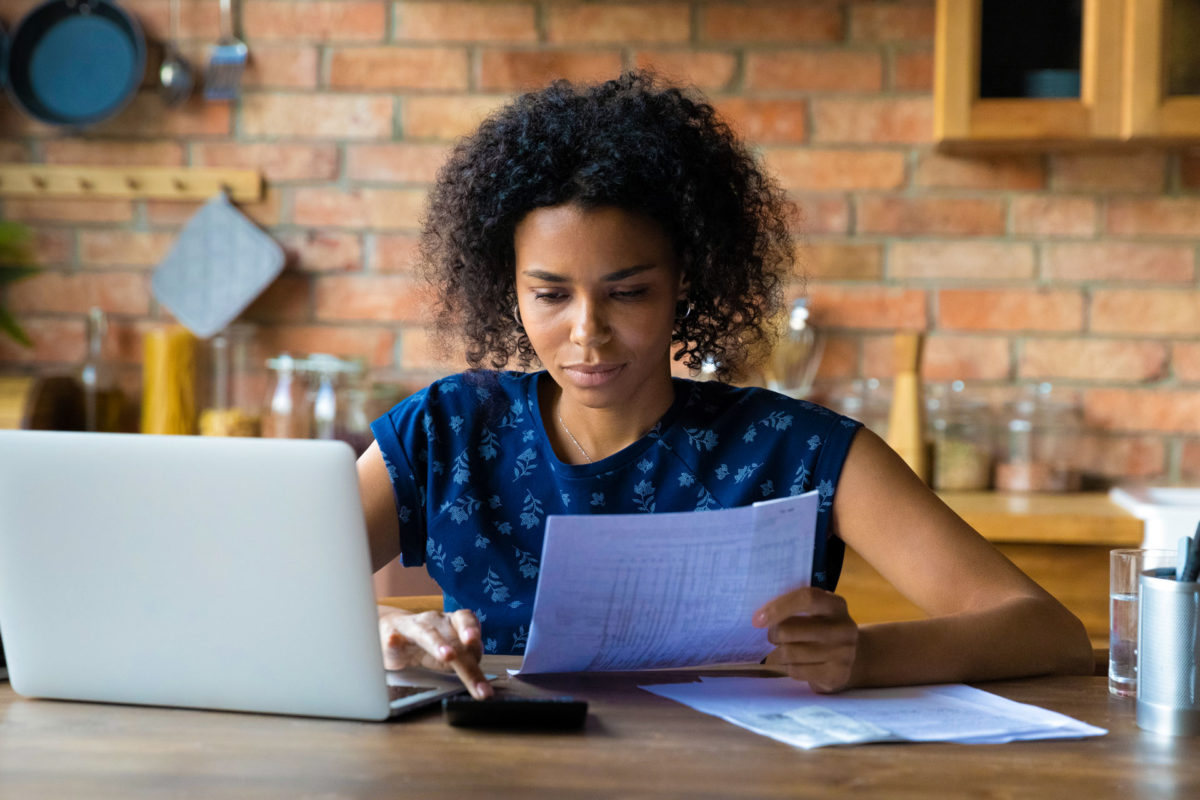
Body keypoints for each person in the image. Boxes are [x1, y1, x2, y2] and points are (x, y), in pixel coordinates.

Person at [356, 71, 1093, 701]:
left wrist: (866, 655)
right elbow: (255, 589)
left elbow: (1046, 632)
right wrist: (373, 628)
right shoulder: (445, 433)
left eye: (628, 293)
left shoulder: (796, 451)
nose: (588, 332)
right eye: (551, 295)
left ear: (686, 283)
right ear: (507, 289)